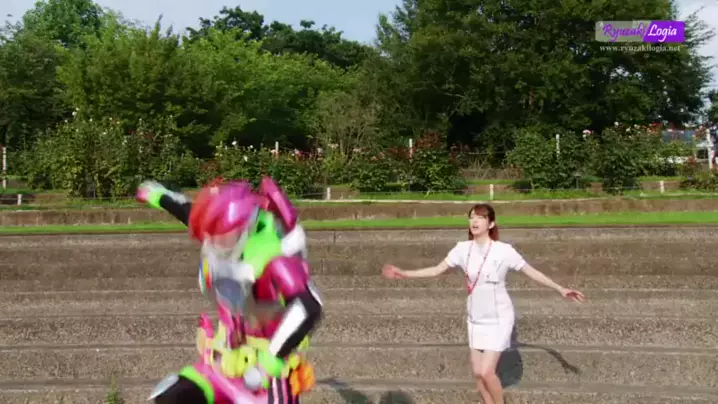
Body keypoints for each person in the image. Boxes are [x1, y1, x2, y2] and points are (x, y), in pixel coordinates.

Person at [137, 178, 322, 404]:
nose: (214, 243)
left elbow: (308, 305)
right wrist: (159, 196)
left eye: (221, 237)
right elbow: (188, 211)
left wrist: (270, 360)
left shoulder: (274, 258)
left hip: (265, 379)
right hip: (224, 364)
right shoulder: (223, 240)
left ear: (243, 229)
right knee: (173, 397)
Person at [381, 203, 585, 404]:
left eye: (480, 217)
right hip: (476, 318)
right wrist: (404, 273)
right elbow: (436, 270)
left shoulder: (503, 251)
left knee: (487, 372)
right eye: (472, 217)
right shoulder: (462, 249)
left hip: (499, 318)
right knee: (478, 374)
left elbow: (531, 271)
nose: (474, 221)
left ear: (491, 223)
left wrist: (560, 288)